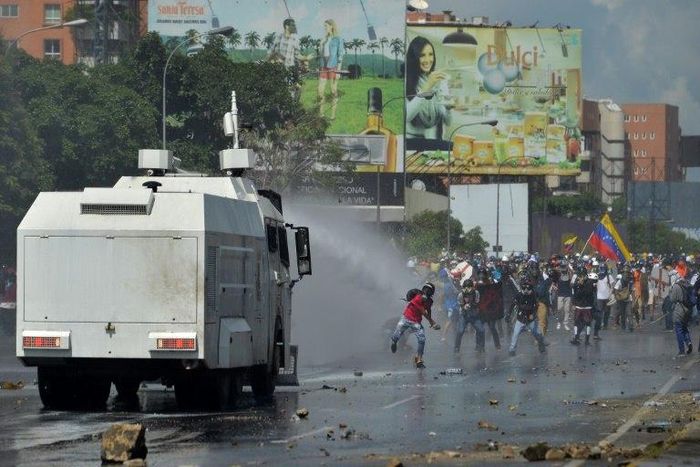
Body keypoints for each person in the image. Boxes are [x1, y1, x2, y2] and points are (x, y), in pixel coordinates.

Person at [405, 36, 452, 143]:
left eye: (430, 54)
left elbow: (448, 122)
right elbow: (406, 116)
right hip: (412, 144)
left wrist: (449, 109)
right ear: (414, 57)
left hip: (436, 142)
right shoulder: (405, 80)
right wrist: (427, 86)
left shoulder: (439, 81)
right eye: (422, 55)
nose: (428, 60)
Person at [390, 282, 440, 368]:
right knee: (397, 334)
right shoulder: (417, 297)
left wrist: (431, 322)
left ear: (431, 293)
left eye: (429, 290)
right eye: (426, 289)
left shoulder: (429, 301)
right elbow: (423, 311)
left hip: (416, 322)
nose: (426, 292)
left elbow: (428, 310)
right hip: (406, 318)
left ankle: (419, 359)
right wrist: (432, 322)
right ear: (423, 289)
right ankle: (394, 341)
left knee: (422, 339)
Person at [508, 278, 546, 356]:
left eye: (528, 288)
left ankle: (541, 344)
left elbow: (536, 306)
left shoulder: (533, 295)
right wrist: (508, 314)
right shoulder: (519, 295)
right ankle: (512, 350)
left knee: (537, 334)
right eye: (524, 288)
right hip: (521, 318)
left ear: (531, 288)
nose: (525, 290)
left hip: (530, 319)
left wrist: (533, 314)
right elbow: (513, 304)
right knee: (515, 334)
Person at [317, 19, 343, 120]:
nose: (325, 28)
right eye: (324, 26)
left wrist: (338, 71)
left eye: (326, 26)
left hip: (333, 67)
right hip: (324, 66)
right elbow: (321, 54)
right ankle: (321, 114)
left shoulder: (338, 39)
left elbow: (340, 55)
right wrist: (321, 44)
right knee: (320, 90)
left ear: (332, 26)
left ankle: (332, 116)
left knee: (333, 91)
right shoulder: (324, 39)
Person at [454, 280, 484, 353]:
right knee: (460, 331)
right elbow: (459, 304)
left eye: (469, 287)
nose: (467, 289)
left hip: (474, 315)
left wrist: (471, 305)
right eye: (466, 287)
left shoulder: (476, 293)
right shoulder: (460, 295)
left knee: (481, 330)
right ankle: (456, 348)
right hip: (464, 315)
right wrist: (464, 306)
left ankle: (480, 346)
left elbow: (477, 303)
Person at [668, 269, 693, 356]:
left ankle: (681, 351)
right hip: (688, 309)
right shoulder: (686, 283)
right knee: (684, 327)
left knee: (678, 329)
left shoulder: (676, 286)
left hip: (680, 309)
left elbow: (672, 299)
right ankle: (689, 342)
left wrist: (670, 292)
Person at [571, 272, 597, 345]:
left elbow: (577, 294)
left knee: (581, 323)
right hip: (585, 307)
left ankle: (579, 339)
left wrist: (580, 286)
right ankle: (583, 340)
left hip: (583, 306)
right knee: (585, 323)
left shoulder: (586, 285)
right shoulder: (589, 285)